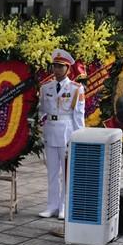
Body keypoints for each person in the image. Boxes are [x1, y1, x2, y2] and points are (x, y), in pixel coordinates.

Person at [38, 49, 85, 220]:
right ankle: (52, 206)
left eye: (60, 66)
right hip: (50, 130)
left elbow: (78, 115)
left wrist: (79, 137)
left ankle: (65, 206)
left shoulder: (76, 89)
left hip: (67, 132)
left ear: (67, 68)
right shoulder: (45, 88)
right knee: (52, 171)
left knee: (66, 172)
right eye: (54, 66)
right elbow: (41, 110)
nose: (56, 69)